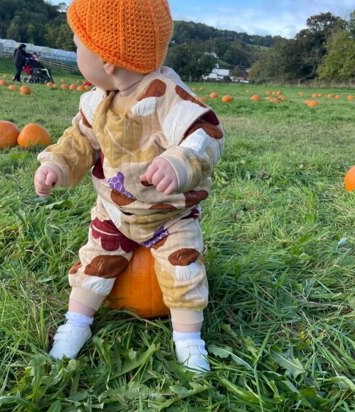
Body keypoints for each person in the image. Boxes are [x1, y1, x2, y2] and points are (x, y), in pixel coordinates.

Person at [33, 0, 224, 373]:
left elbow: (206, 135)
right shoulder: (95, 103)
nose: (76, 54)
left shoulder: (167, 97)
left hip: (168, 216)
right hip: (115, 211)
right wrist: (56, 164)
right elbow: (78, 141)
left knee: (183, 269)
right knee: (94, 263)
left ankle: (188, 339)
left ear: (107, 60)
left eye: (77, 46)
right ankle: (77, 323)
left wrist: (179, 162)